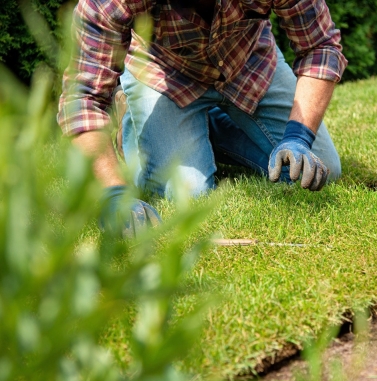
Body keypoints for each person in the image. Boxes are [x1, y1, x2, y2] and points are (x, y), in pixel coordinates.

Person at [58, 0, 347, 236]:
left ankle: (204, 127)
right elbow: (82, 99)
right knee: (188, 194)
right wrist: (114, 193)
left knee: (320, 166)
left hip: (246, 59)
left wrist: (298, 137)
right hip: (161, 71)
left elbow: (319, 46)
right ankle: (132, 128)